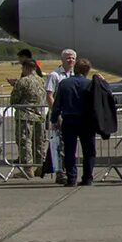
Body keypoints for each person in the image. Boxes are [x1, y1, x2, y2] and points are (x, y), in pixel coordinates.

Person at [49, 58, 113, 186]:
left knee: (69, 150)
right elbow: (107, 95)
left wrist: (54, 118)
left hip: (70, 120)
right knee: (89, 150)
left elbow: (57, 104)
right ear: (88, 71)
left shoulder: (64, 84)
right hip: (87, 121)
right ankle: (87, 177)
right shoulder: (90, 84)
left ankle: (71, 178)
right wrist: (103, 82)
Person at [10, 56, 47, 176]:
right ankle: (41, 166)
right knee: (39, 142)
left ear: (25, 68)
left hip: (25, 115)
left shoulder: (23, 81)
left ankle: (27, 169)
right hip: (39, 115)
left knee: (25, 142)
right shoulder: (41, 80)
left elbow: (14, 99)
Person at [44, 48, 77, 182]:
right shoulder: (55, 75)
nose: (70, 60)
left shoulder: (75, 75)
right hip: (60, 115)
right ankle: (59, 171)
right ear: (62, 60)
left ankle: (67, 169)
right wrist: (56, 114)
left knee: (70, 144)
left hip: (72, 115)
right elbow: (49, 96)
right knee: (59, 144)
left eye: (73, 58)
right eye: (68, 58)